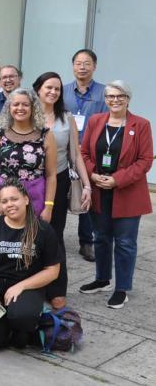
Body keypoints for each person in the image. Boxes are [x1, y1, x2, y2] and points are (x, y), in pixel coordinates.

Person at [79, 80, 153, 309]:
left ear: (128, 99)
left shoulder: (141, 124)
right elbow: (83, 153)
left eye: (120, 96)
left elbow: (145, 161)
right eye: (110, 96)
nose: (115, 100)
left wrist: (117, 179)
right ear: (105, 99)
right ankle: (102, 279)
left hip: (127, 192)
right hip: (99, 190)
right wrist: (92, 175)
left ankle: (122, 289)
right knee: (101, 237)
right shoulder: (95, 121)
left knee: (125, 243)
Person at [0, 178, 60, 351]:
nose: (9, 204)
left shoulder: (43, 230)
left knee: (22, 320)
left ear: (26, 199)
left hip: (25, 288)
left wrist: (21, 286)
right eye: (4, 201)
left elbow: (53, 270)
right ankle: (4, 323)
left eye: (14, 199)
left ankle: (25, 326)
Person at [34, 71, 91, 308]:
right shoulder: (26, 114)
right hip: (30, 182)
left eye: (57, 88)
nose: (53, 92)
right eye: (48, 87)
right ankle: (31, 287)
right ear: (38, 89)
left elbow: (75, 155)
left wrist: (87, 185)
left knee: (54, 235)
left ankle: (56, 288)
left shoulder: (67, 118)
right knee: (27, 234)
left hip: (57, 181)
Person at [0, 88, 57, 220]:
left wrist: (49, 207)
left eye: (25, 104)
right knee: (1, 233)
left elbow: (51, 175)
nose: (20, 108)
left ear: (33, 108)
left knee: (31, 233)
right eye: (16, 104)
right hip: (3, 199)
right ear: (9, 108)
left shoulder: (46, 135)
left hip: (35, 198)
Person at [63, 48, 108, 263]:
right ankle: (54, 238)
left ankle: (87, 242)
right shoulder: (62, 91)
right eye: (78, 63)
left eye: (87, 63)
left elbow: (110, 121)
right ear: (73, 66)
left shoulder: (104, 93)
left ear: (94, 66)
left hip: (91, 151)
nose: (82, 67)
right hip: (65, 149)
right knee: (61, 192)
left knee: (89, 193)